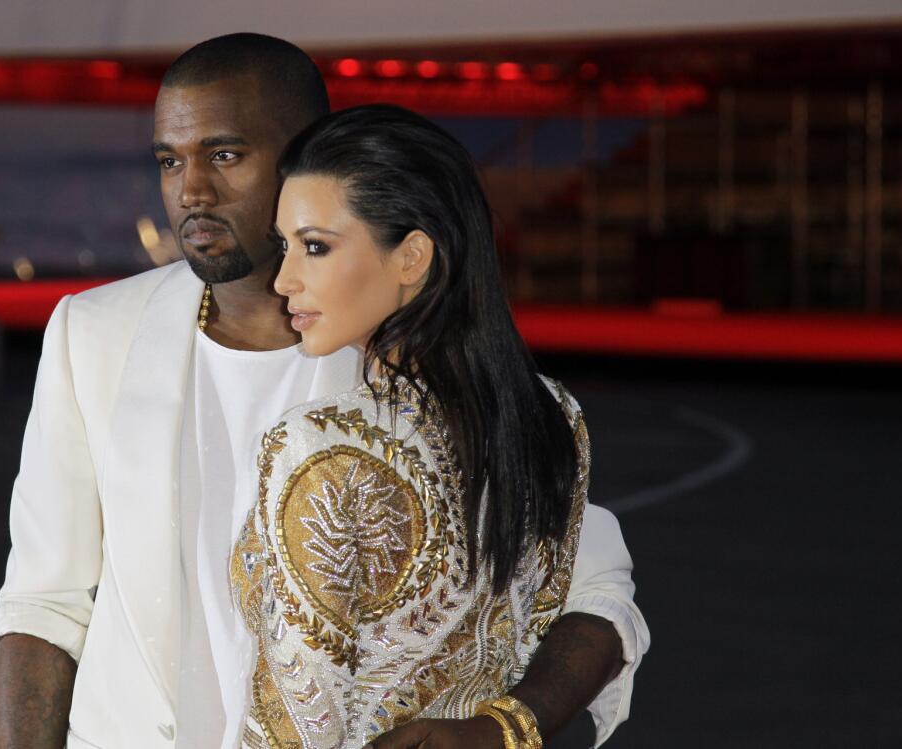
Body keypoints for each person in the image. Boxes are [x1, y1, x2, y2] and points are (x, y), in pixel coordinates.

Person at [0, 33, 648, 749]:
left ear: (303, 153)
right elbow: (42, 605)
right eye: (171, 161)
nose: (190, 191)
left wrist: (506, 726)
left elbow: (595, 593)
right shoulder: (92, 333)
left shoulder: (418, 363)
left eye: (225, 154)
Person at [232, 103, 615, 749]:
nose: (284, 278)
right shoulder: (554, 415)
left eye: (315, 246)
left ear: (412, 257)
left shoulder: (322, 447)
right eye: (284, 246)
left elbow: (298, 721)